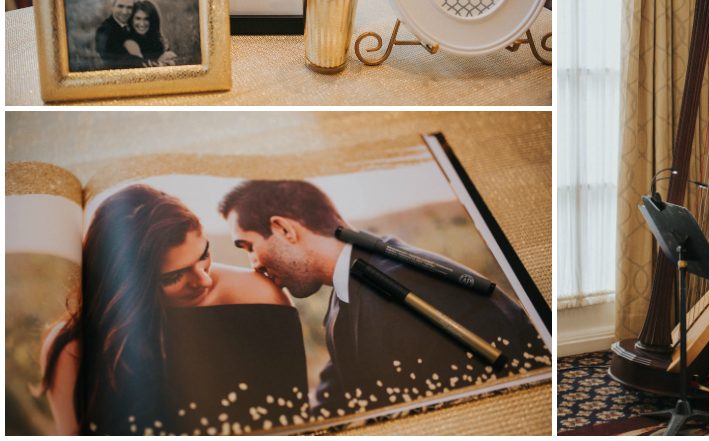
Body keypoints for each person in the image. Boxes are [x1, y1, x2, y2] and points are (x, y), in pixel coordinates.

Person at [219, 180, 547, 419]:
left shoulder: (405, 282)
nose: (254, 265)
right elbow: (339, 395)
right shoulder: (346, 292)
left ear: (283, 229)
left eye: (247, 246)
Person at [40, 185, 291, 434]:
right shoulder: (72, 349)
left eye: (203, 255)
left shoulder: (255, 296)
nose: (203, 280)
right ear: (125, 286)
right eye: (173, 277)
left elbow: (290, 415)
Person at [94, 0, 144, 69]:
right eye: (120, 6)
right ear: (112, 7)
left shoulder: (135, 23)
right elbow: (117, 62)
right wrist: (145, 60)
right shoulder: (104, 31)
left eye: (129, 7)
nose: (124, 12)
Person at [124, 0, 177, 67]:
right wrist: (159, 62)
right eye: (138, 18)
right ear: (131, 20)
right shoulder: (127, 41)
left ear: (152, 20)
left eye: (146, 19)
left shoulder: (159, 40)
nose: (142, 24)